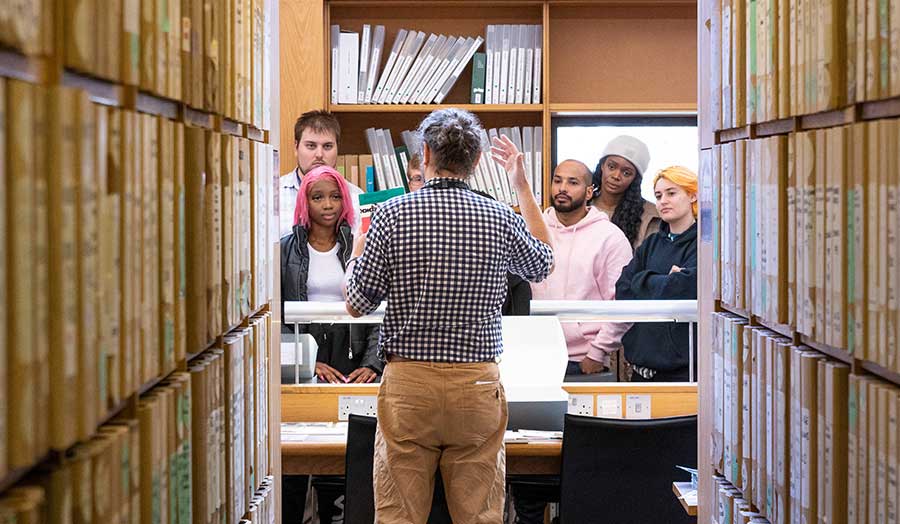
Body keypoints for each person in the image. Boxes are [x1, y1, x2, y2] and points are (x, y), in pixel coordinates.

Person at [344, 108, 553, 523]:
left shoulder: (391, 215)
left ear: (424, 154)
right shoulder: (500, 218)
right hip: (476, 386)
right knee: (479, 516)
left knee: (399, 515)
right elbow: (543, 263)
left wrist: (355, 253)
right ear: (476, 161)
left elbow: (357, 304)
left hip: (408, 386)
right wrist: (523, 187)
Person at [530, 159, 633, 378]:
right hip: (533, 354)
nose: (562, 188)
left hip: (583, 361)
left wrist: (597, 353)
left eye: (572, 182)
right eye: (557, 181)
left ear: (589, 192)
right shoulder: (533, 231)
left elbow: (622, 302)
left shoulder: (610, 237)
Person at [280, 164, 382, 383]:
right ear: (304, 202)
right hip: (304, 361)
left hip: (355, 356)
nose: (328, 205)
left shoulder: (360, 247)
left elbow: (379, 306)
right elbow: (275, 319)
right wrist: (306, 362)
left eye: (335, 197)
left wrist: (372, 363)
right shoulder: (284, 250)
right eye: (317, 197)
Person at [615, 166, 699, 382]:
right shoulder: (651, 243)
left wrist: (642, 280)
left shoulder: (704, 244)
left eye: (672, 193)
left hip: (683, 372)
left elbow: (684, 289)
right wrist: (663, 280)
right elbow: (623, 289)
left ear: (693, 195)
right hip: (641, 368)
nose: (663, 201)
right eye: (658, 195)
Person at [279, 110, 364, 237]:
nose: (319, 154)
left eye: (327, 146)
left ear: (337, 148)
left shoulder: (357, 199)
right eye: (311, 146)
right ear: (296, 148)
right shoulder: (273, 195)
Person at [591, 135, 661, 250]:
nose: (616, 176)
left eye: (626, 173)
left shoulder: (652, 216)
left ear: (635, 179)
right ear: (602, 166)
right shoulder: (581, 206)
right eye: (611, 167)